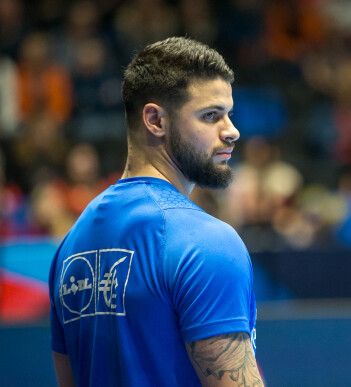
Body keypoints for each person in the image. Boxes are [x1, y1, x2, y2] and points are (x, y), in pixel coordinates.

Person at [48, 37, 264, 387]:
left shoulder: (71, 245)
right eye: (211, 116)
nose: (232, 132)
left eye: (229, 115)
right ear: (155, 120)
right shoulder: (208, 243)